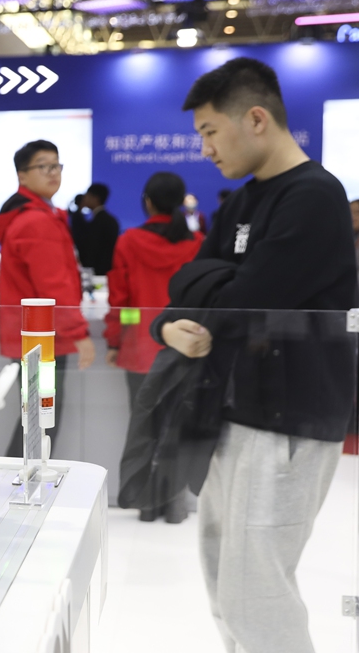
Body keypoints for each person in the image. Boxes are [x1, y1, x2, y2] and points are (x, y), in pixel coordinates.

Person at [159, 57, 357, 653]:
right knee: (224, 582)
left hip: (288, 421)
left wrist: (212, 294)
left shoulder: (315, 198)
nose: (206, 149)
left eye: (210, 133)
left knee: (258, 591)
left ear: (256, 118)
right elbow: (184, 288)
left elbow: (244, 302)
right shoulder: (240, 204)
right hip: (232, 410)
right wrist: (182, 318)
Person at [103, 172, 203, 522]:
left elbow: (121, 300)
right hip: (185, 349)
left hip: (139, 348)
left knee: (143, 427)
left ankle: (146, 504)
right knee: (177, 426)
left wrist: (117, 340)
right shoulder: (196, 243)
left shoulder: (129, 241)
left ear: (147, 201)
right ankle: (174, 505)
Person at [0, 140, 95, 458]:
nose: (53, 172)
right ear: (22, 176)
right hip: (42, 340)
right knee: (41, 421)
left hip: (36, 337)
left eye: (57, 165)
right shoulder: (37, 221)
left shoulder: (38, 215)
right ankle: (18, 487)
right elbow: (55, 286)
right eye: (44, 166)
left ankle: (20, 486)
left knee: (37, 418)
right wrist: (79, 334)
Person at [69, 183, 119, 275]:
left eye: (87, 196)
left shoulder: (99, 222)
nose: (84, 198)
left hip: (97, 274)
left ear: (95, 198)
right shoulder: (111, 220)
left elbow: (90, 249)